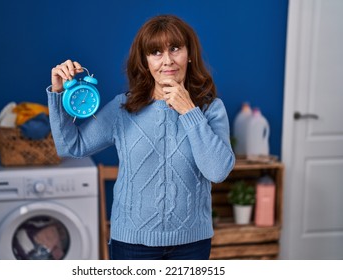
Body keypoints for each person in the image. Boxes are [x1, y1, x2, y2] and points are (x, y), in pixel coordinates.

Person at [47, 14, 235, 260]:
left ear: (189, 54)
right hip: (132, 245)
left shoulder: (211, 109)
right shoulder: (123, 108)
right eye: (156, 52)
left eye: (175, 48)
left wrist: (189, 111)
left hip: (192, 244)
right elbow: (71, 147)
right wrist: (58, 92)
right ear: (146, 61)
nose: (167, 60)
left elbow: (218, 171)